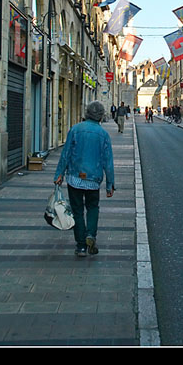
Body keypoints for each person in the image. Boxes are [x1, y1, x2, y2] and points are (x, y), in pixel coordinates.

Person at [54, 101, 114, 257]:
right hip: (94, 180)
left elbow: (65, 154)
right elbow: (108, 162)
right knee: (93, 208)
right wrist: (110, 185)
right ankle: (90, 235)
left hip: (75, 177)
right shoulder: (104, 135)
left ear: (87, 113)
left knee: (77, 211)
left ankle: (81, 246)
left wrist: (59, 174)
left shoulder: (75, 129)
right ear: (101, 116)